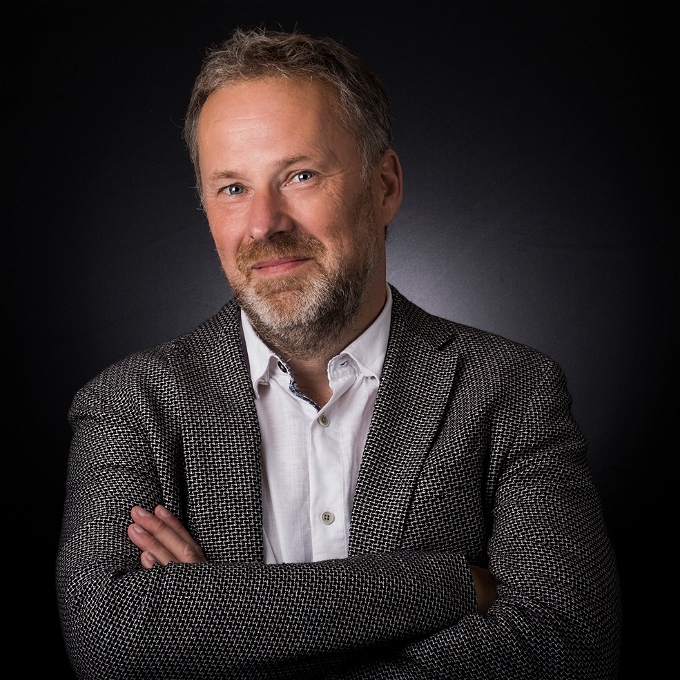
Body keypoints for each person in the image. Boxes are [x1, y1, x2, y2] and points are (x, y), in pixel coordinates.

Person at [56, 27, 622, 679]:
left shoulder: (514, 389)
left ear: (384, 186)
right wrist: (451, 585)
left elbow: (569, 643)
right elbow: (108, 639)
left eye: (299, 175)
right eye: (232, 188)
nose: (264, 224)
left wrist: (223, 630)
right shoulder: (127, 406)